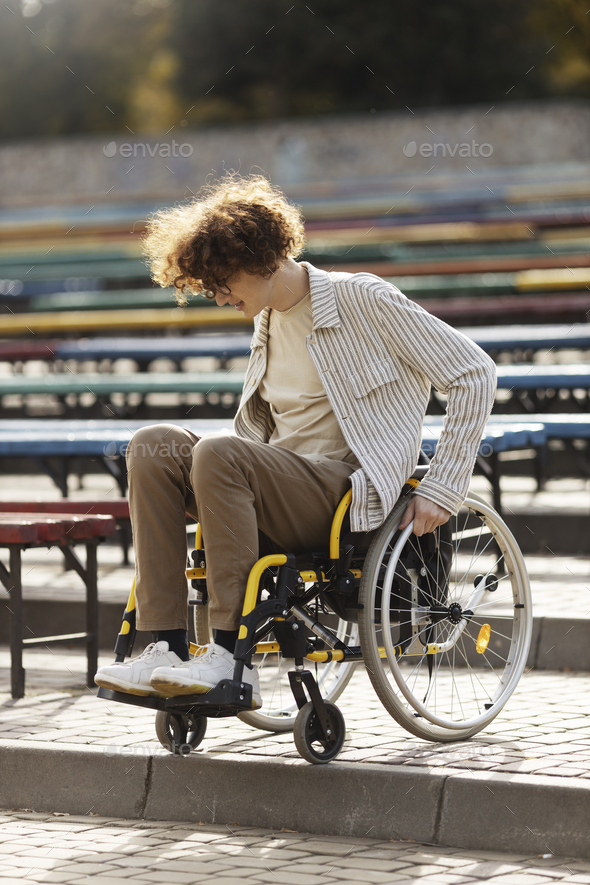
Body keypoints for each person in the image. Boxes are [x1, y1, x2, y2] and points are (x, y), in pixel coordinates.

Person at [95, 173, 496, 706]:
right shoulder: (265, 322)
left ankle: (226, 653)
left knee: (217, 450)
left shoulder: (362, 299)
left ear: (262, 258)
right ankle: (165, 647)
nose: (217, 299)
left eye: (222, 283)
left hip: (346, 492)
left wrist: (442, 487)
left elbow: (474, 371)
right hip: (270, 483)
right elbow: (255, 439)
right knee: (152, 443)